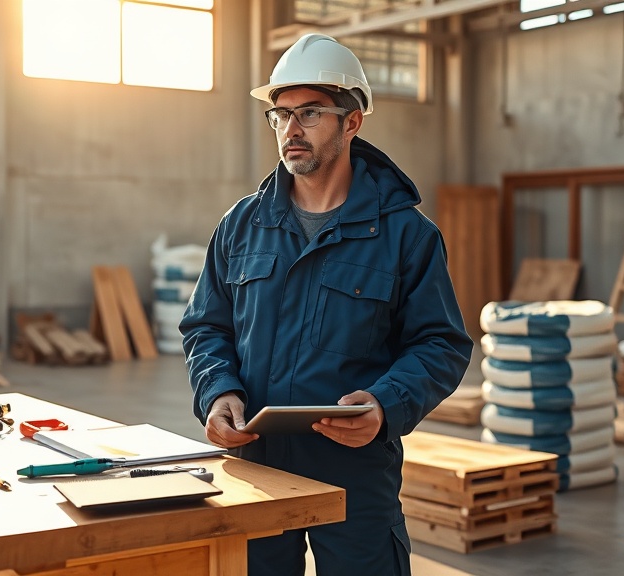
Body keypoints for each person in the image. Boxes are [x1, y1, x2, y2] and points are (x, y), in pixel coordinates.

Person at [179, 33, 472, 576]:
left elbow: (441, 344)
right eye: (280, 114)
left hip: (354, 470)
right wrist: (217, 394)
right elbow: (205, 328)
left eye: (309, 113)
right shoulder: (242, 225)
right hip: (255, 464)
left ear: (352, 121)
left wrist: (385, 403)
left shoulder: (406, 235)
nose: (290, 129)